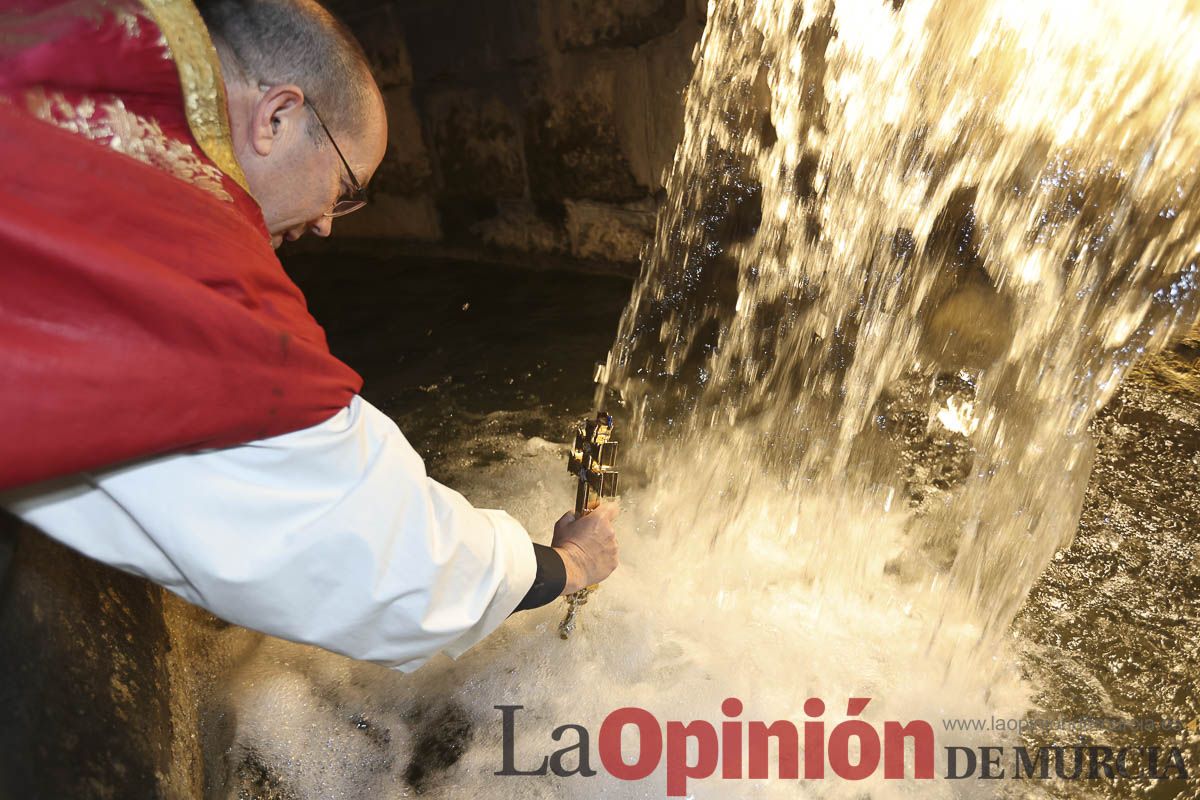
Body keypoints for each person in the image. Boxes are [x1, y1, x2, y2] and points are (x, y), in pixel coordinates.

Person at [0, 0, 619, 671]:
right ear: (278, 116)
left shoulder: (64, 38)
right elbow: (385, 555)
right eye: (344, 186)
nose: (327, 222)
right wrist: (567, 563)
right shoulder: (194, 265)